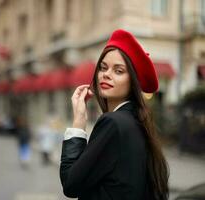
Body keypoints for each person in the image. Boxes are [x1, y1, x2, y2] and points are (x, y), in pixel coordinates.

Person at [60, 29, 169, 200]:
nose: (106, 75)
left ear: (133, 80)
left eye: (118, 71)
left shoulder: (113, 123)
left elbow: (71, 184)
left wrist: (78, 122)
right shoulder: (138, 122)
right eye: (103, 68)